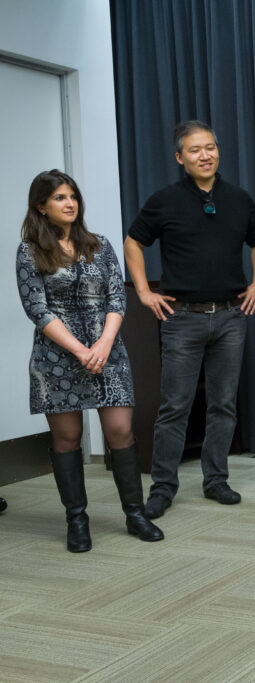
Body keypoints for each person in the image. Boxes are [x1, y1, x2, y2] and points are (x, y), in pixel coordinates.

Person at [124, 120, 255, 519]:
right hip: (181, 319)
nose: (204, 155)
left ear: (217, 151)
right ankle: (163, 487)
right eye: (194, 150)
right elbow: (134, 241)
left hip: (229, 317)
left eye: (210, 148)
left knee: (223, 405)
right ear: (180, 158)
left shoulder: (238, 198)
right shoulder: (164, 200)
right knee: (175, 406)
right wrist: (142, 291)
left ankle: (215, 479)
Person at [16, 170, 164, 552]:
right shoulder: (30, 250)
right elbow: (37, 308)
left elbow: (117, 298)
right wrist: (80, 350)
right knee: (67, 438)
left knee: (120, 431)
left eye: (73, 197)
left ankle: (134, 515)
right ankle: (76, 520)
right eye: (61, 198)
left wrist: (102, 344)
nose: (70, 204)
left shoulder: (100, 244)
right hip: (57, 358)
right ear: (41, 207)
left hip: (108, 350)